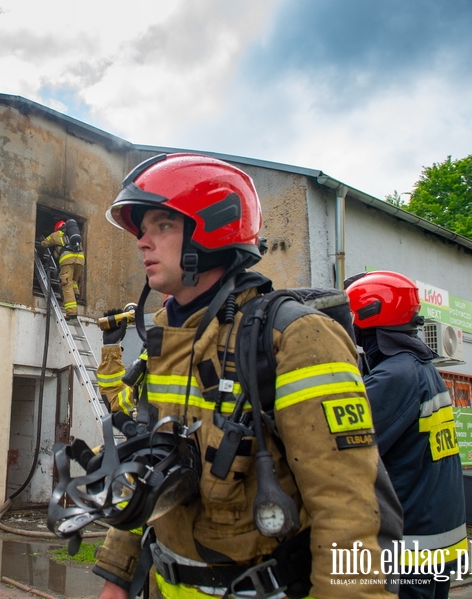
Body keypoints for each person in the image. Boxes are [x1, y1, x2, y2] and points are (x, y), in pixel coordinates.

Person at [89, 153, 402, 598]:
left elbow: (350, 510)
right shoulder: (166, 338)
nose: (142, 242)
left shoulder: (295, 338)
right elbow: (150, 469)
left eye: (161, 226)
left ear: (212, 230)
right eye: (142, 230)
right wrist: (117, 576)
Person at [346, 271, 467, 599]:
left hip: (411, 547)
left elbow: (342, 449)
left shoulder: (394, 377)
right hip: (437, 539)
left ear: (367, 317)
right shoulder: (421, 367)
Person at [40, 219, 85, 318]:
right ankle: (76, 294)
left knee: (66, 284)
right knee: (73, 280)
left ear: (57, 228)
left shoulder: (57, 234)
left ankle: (71, 312)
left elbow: (44, 243)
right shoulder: (73, 236)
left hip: (68, 260)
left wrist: (41, 243)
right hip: (80, 260)